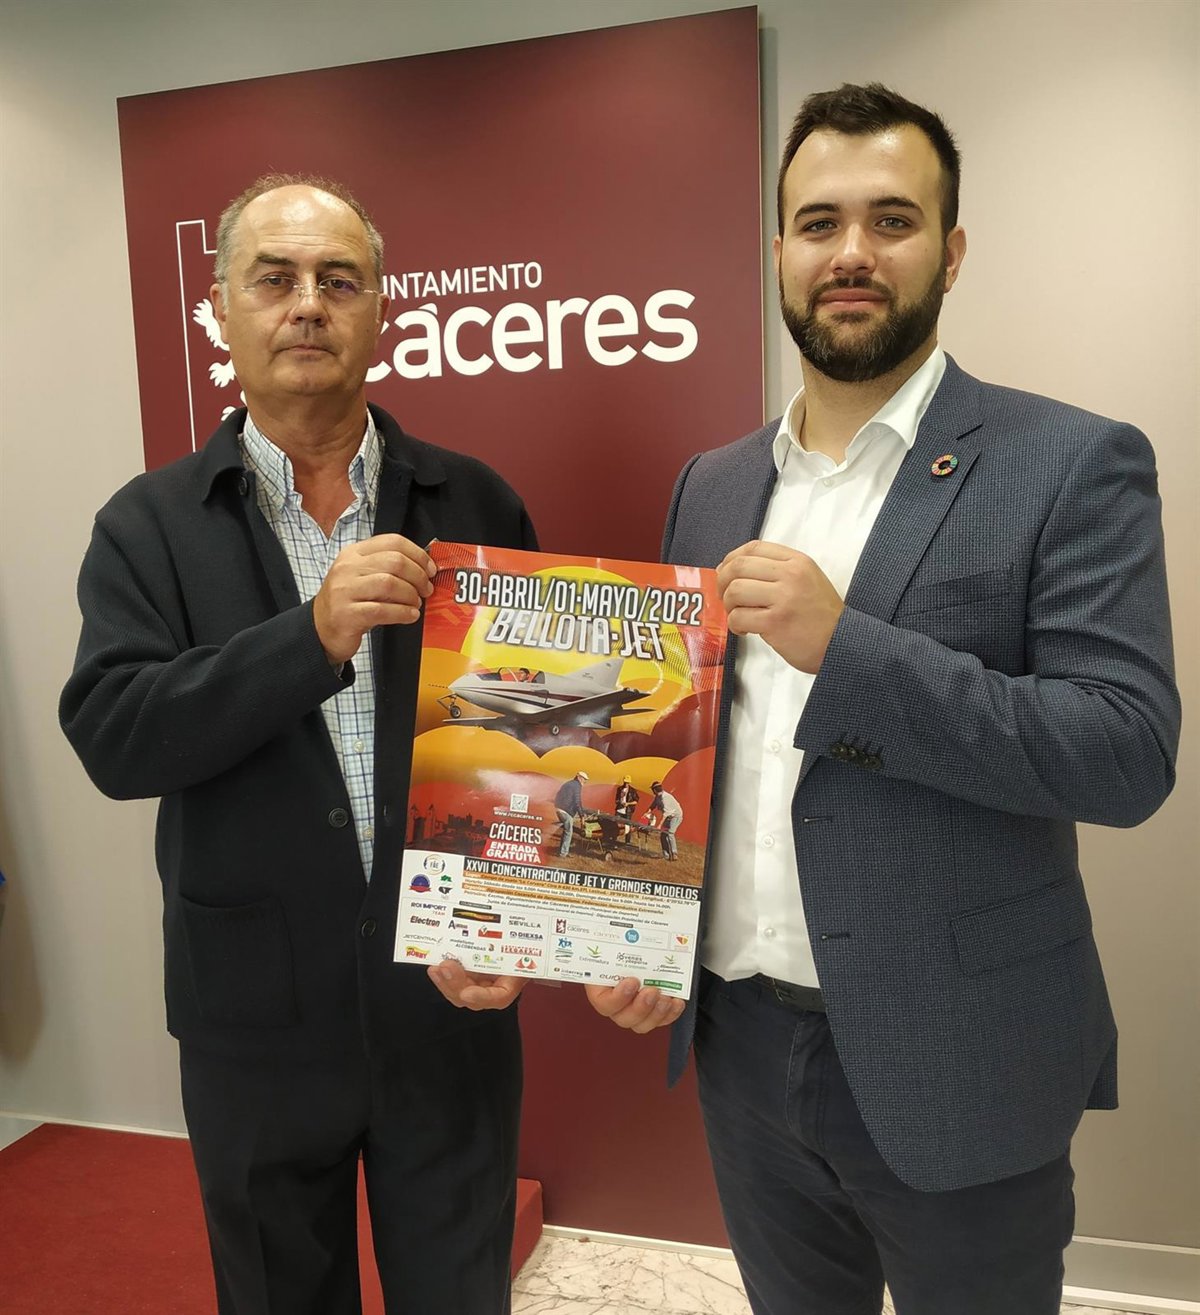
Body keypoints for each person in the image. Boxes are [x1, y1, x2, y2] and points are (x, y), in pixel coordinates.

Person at [586, 84, 1179, 1315]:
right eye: (819, 223)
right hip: (742, 1048)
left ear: (951, 253)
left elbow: (1123, 752)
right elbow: (685, 746)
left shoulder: (1069, 461)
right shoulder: (712, 484)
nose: (850, 252)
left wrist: (847, 651)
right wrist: (641, 937)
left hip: (963, 1051)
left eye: (892, 220)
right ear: (778, 252)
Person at [59, 174, 537, 1315]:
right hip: (252, 1026)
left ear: (381, 311)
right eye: (273, 279)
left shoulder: (474, 501)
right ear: (221, 311)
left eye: (339, 280)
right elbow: (117, 736)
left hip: (446, 1005)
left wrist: (522, 923)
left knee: (461, 1293)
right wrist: (310, 636)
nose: (308, 304)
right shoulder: (148, 524)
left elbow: (526, 742)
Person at [644, 781, 683, 860]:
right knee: (663, 835)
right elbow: (652, 806)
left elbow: (665, 814)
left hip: (675, 817)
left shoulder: (665, 798)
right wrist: (646, 814)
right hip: (668, 817)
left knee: (670, 833)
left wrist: (659, 825)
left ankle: (674, 853)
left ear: (655, 790)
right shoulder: (657, 797)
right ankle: (666, 855)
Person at [554, 770, 589, 856]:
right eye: (584, 779)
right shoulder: (577, 785)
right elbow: (577, 801)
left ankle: (562, 851)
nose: (585, 782)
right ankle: (563, 853)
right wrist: (582, 816)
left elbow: (558, 794)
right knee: (569, 832)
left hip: (558, 808)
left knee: (566, 831)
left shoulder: (569, 783)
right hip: (566, 811)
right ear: (579, 778)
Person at [614, 774, 638, 842]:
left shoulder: (633, 791)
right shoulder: (620, 789)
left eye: (627, 782)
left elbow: (636, 801)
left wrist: (628, 804)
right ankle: (614, 838)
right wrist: (619, 802)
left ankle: (627, 841)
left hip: (628, 811)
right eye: (625, 782)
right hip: (619, 809)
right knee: (615, 824)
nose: (626, 784)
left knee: (627, 826)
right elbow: (616, 799)